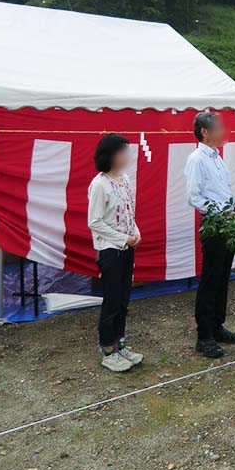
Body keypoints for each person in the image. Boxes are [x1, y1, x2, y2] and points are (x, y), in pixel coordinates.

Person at [185, 112, 235, 358]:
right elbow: (194, 196)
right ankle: (204, 335)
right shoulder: (197, 159)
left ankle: (217, 326)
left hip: (228, 223)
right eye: (217, 128)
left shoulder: (218, 159)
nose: (223, 131)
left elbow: (224, 191)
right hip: (214, 224)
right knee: (210, 279)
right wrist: (222, 213)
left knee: (223, 277)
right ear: (205, 132)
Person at [88, 133, 144, 373]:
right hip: (110, 250)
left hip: (127, 248)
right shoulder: (100, 184)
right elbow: (95, 221)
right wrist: (123, 238)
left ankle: (121, 344)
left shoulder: (125, 180)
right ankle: (108, 349)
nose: (127, 157)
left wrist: (136, 232)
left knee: (123, 299)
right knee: (111, 300)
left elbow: (129, 212)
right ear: (110, 155)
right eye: (122, 152)